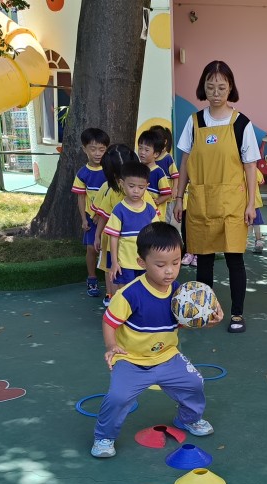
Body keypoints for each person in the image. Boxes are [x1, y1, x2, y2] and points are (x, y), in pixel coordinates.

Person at [91, 223, 223, 458]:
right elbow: (109, 321)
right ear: (142, 262)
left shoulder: (181, 293)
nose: (169, 271)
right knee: (118, 397)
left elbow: (180, 322)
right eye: (160, 265)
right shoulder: (129, 294)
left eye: (176, 262)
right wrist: (112, 346)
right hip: (131, 360)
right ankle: (104, 437)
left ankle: (187, 419)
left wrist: (207, 321)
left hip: (167, 356)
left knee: (194, 383)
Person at [174, 60, 260, 334]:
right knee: (204, 260)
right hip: (201, 202)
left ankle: (237, 314)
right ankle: (204, 311)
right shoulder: (194, 121)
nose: (216, 92)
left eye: (221, 87)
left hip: (233, 203)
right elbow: (185, 161)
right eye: (210, 86)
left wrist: (251, 204)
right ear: (203, 87)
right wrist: (179, 198)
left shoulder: (241, 124)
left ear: (230, 88)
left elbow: (250, 166)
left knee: (235, 260)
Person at [90, 144, 139, 307]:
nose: (122, 180)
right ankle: (112, 298)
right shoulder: (111, 190)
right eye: (118, 176)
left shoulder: (140, 191)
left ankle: (129, 302)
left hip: (134, 243)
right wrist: (97, 235)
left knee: (133, 271)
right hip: (112, 241)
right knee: (111, 269)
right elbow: (103, 216)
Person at [102, 161, 161, 291]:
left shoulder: (150, 210)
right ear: (122, 184)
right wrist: (114, 262)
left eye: (141, 187)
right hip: (125, 263)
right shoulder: (119, 210)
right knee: (125, 292)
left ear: (147, 186)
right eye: (131, 186)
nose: (136, 191)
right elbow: (113, 238)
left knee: (146, 291)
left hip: (146, 262)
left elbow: (157, 235)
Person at [72, 127, 110, 299]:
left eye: (102, 149)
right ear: (84, 149)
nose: (97, 153)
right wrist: (84, 219)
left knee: (110, 248)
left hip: (109, 217)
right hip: (91, 218)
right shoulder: (82, 173)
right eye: (93, 149)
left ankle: (112, 281)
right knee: (91, 248)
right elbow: (81, 197)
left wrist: (101, 214)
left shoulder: (110, 171)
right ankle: (92, 278)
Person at [137, 129, 173, 219]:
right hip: (141, 213)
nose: (142, 152)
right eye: (140, 148)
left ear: (156, 154)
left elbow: (167, 193)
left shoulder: (158, 172)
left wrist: (157, 201)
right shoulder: (138, 169)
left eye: (146, 150)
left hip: (156, 217)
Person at [251, 166, 265, 253]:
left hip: (241, 202)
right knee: (256, 223)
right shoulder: (254, 169)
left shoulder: (237, 169)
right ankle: (258, 241)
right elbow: (262, 181)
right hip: (254, 201)